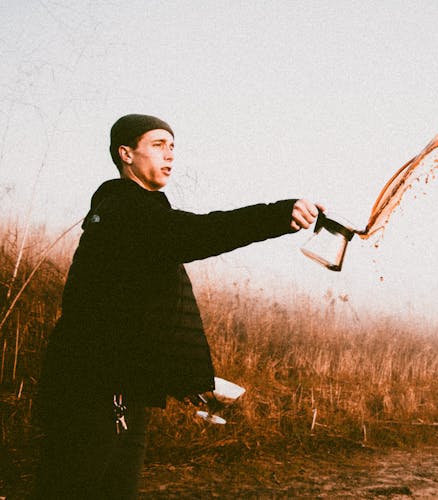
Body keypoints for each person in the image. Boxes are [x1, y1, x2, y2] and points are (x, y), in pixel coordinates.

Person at [34, 114, 323, 498]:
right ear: (126, 154)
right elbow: (201, 232)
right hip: (89, 393)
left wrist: (190, 381)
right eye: (157, 145)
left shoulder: (143, 214)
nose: (170, 154)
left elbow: (143, 315)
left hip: (123, 391)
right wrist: (276, 214)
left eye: (173, 146)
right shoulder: (123, 211)